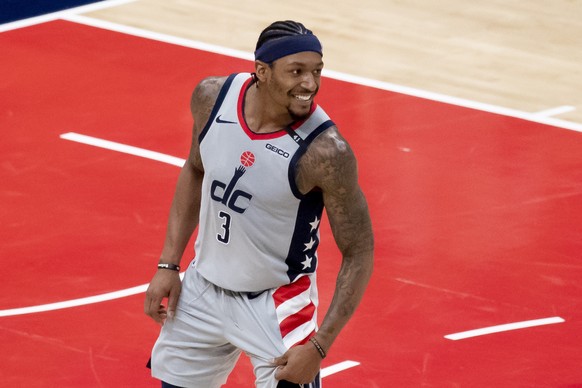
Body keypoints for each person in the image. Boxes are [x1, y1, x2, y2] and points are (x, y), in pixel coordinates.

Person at [144, 20, 374, 388]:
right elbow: (195, 168)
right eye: (296, 71)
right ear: (262, 71)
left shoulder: (326, 152)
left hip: (276, 303)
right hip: (204, 285)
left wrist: (318, 346)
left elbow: (359, 252)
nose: (310, 84)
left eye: (317, 71)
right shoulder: (211, 98)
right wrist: (168, 263)